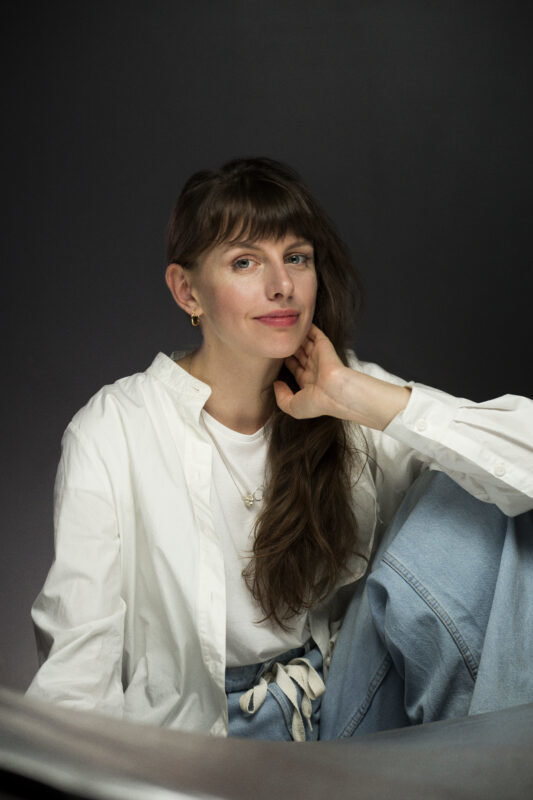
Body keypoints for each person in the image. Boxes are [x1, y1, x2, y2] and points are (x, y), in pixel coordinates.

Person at [27, 157, 533, 742]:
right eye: (245, 262)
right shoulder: (115, 428)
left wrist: (358, 396)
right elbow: (79, 664)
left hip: (344, 714)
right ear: (187, 291)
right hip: (204, 743)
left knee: (471, 484)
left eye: (297, 257)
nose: (282, 285)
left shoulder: (344, 393)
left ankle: (492, 762)